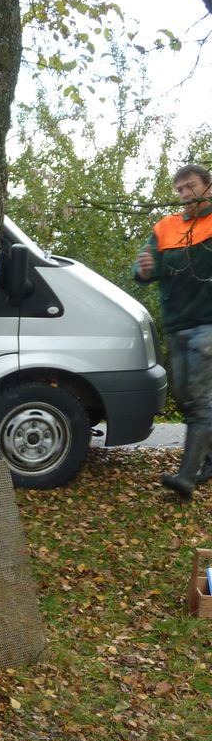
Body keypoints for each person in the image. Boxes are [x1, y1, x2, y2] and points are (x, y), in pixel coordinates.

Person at [134, 163, 212, 498]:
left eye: (190, 186)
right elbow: (144, 270)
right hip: (176, 325)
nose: (184, 194)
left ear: (208, 187)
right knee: (182, 398)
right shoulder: (166, 227)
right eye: (179, 189)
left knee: (199, 400)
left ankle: (186, 477)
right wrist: (144, 269)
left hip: (207, 326)